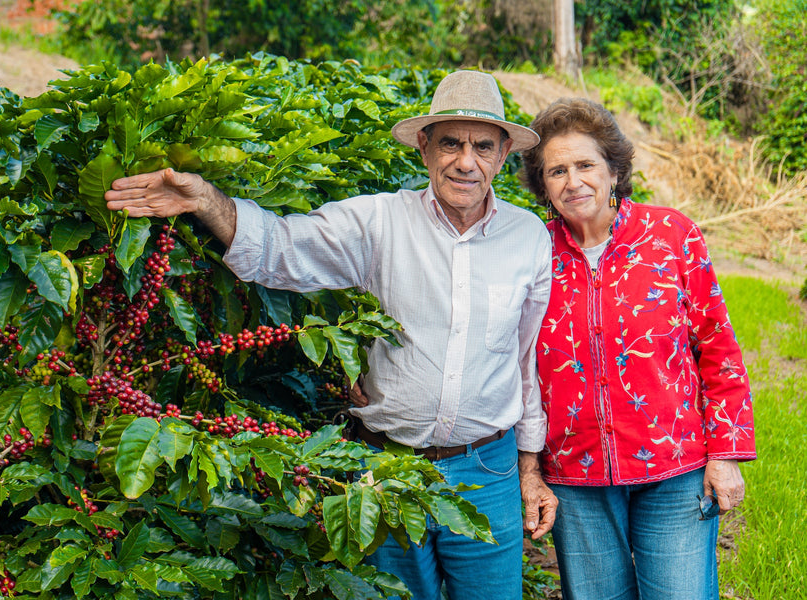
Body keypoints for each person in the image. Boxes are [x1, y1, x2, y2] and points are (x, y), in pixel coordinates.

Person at [104, 70, 559, 600]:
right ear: (423, 147)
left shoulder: (526, 237)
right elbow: (280, 249)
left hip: (489, 469)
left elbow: (527, 360)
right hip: (385, 466)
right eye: (450, 143)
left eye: (482, 146)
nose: (465, 161)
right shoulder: (378, 222)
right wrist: (205, 199)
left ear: (503, 155)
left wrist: (529, 469)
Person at [519, 97, 757, 600]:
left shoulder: (672, 236)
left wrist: (726, 454)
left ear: (613, 170)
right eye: (556, 170)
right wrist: (531, 470)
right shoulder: (531, 252)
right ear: (542, 184)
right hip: (574, 472)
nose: (573, 181)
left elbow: (717, 347)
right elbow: (512, 360)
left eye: (585, 164)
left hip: (674, 468)